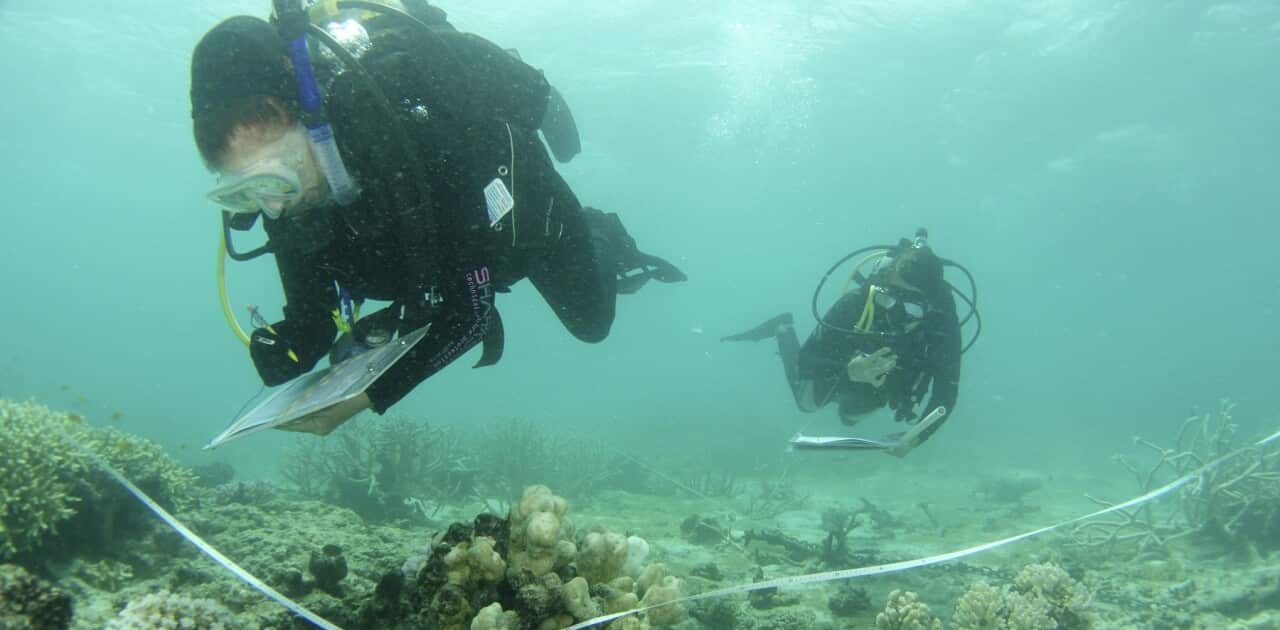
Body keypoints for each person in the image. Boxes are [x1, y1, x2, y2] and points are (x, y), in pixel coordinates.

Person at [189, 2, 685, 435]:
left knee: (591, 323)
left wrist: (365, 399)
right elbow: (312, 317)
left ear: (311, 122)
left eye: (277, 178)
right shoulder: (286, 197)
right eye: (243, 192)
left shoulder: (409, 137)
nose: (272, 206)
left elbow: (471, 315)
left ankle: (600, 231)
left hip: (523, 223)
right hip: (438, 256)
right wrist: (288, 348)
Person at [722, 231, 963, 456]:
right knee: (805, 403)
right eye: (891, 298)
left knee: (854, 414)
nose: (899, 313)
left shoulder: (942, 322)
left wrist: (919, 435)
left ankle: (850, 407)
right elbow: (805, 362)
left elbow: (947, 387)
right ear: (884, 283)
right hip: (841, 360)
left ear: (930, 304)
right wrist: (848, 368)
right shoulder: (858, 302)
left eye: (913, 304)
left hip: (885, 377)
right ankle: (783, 329)